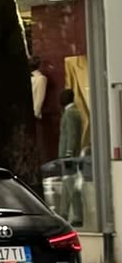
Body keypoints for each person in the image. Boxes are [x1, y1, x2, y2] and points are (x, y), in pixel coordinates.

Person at [58, 87, 84, 228]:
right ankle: (63, 214)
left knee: (71, 186)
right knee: (66, 185)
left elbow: (72, 135)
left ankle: (77, 216)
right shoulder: (73, 112)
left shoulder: (70, 113)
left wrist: (68, 153)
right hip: (69, 156)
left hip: (69, 156)